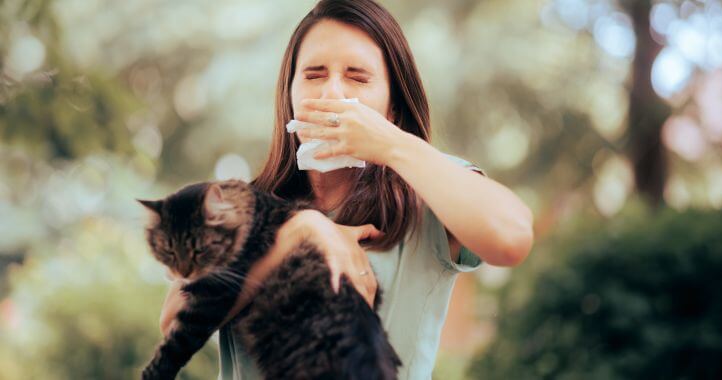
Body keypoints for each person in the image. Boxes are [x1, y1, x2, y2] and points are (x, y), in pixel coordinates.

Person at [159, 0, 534, 379]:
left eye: (357, 78)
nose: (332, 94)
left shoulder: (425, 198)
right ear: (289, 96)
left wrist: (392, 145)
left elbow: (512, 236)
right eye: (314, 75)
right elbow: (174, 321)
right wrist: (299, 234)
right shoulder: (246, 209)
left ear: (392, 109)